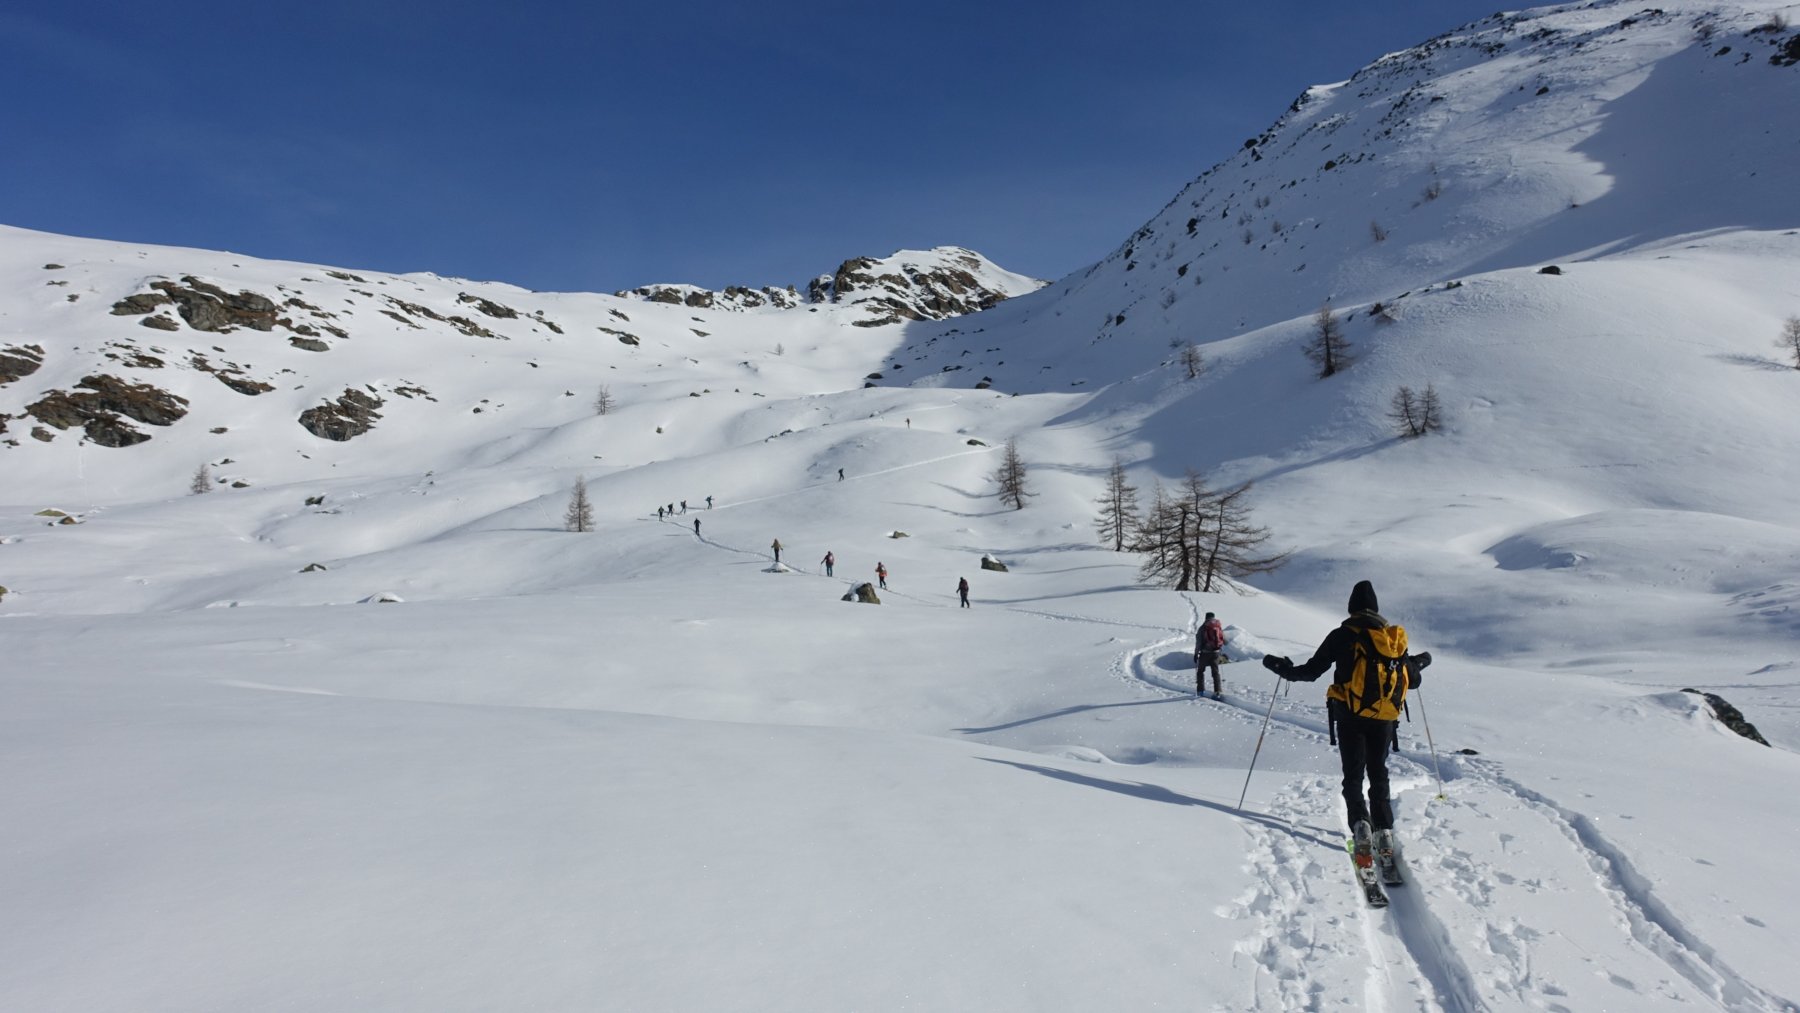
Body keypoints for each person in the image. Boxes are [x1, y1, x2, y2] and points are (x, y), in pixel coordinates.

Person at [1262, 580, 1430, 871]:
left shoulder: (1342, 635)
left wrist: (1280, 667)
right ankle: (1384, 831)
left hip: (1351, 715)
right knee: (1379, 773)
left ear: (1351, 608)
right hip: (1386, 718)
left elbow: (1311, 672)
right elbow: (1413, 680)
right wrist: (1417, 662)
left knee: (1353, 775)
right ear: (1375, 609)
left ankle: (1360, 826)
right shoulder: (1390, 639)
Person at [1195, 611, 1225, 698]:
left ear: (1205, 618)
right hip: (1216, 652)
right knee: (1215, 672)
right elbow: (1223, 639)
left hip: (1205, 653)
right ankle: (1217, 692)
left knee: (1200, 671)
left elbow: (1199, 642)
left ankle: (1200, 691)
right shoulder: (1218, 626)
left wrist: (1196, 654)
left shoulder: (1203, 628)